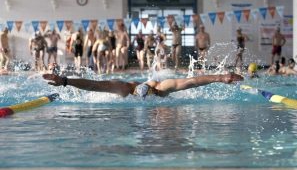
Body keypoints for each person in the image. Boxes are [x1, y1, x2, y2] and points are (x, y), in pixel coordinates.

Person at [43, 72, 243, 98]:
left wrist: (220, 77)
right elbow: (95, 85)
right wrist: (66, 81)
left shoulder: (163, 87)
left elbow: (191, 81)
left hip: (158, 81)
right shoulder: (124, 88)